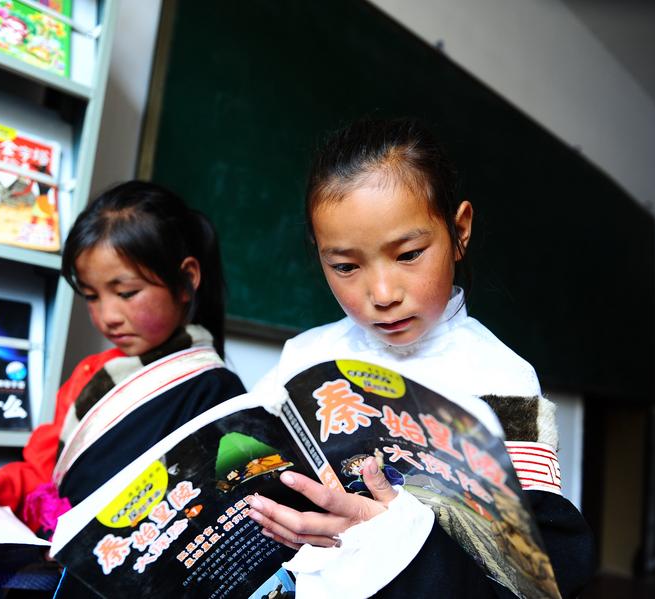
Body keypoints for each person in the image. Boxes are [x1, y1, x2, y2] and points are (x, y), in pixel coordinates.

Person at [246, 117, 594, 598]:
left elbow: (532, 574)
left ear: (459, 231)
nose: (382, 294)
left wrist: (395, 530)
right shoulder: (303, 356)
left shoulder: (504, 379)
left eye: (408, 254)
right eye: (345, 265)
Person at [0, 181, 246, 592]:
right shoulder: (90, 375)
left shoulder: (214, 391)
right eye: (92, 296)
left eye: (126, 292)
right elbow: (43, 475)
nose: (107, 315)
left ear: (186, 279)